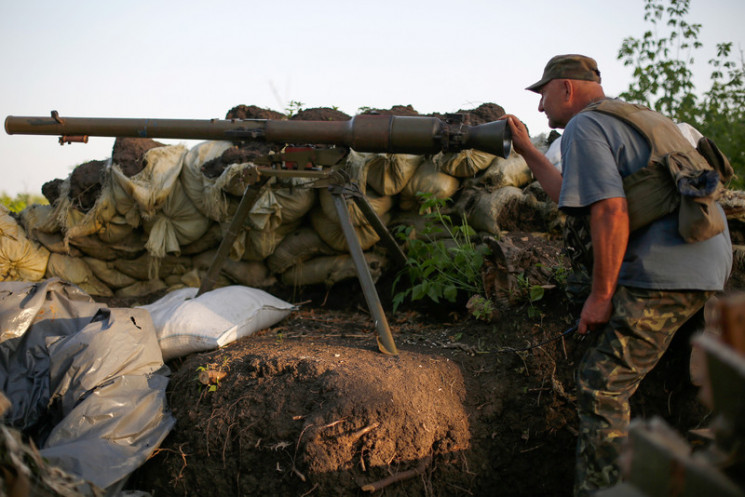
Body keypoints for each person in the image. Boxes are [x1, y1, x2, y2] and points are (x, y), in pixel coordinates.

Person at [501, 54, 732, 496]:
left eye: (543, 94)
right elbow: (573, 195)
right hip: (706, 261)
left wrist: (602, 296)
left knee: (601, 388)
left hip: (669, 268)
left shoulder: (585, 127)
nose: (539, 108)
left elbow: (609, 210)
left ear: (566, 89)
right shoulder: (633, 117)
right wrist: (528, 149)